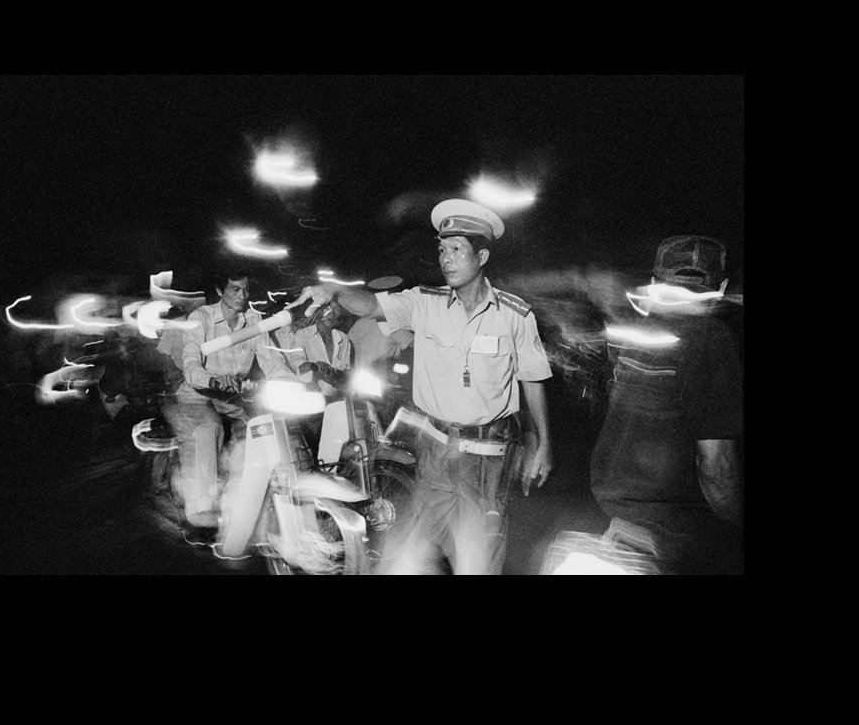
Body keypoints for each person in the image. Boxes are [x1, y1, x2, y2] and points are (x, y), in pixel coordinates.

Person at [293, 200, 553, 574]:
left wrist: (543, 442)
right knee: (407, 555)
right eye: (442, 250)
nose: (446, 259)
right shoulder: (422, 303)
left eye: (457, 250)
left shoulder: (515, 315)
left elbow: (532, 378)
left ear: (481, 256)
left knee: (476, 560)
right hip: (434, 453)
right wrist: (332, 290)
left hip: (485, 459)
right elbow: (369, 306)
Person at [589, 235, 742, 573]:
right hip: (679, 538)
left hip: (621, 522)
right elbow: (717, 466)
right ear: (722, 286)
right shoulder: (712, 341)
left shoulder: (637, 335)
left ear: (656, 281)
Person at [164, 271, 294, 547]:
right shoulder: (201, 318)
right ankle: (200, 510)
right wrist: (211, 379)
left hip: (234, 398)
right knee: (208, 427)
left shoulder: (255, 320)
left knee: (262, 433)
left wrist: (291, 384)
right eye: (235, 289)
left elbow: (271, 362)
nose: (242, 296)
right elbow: (191, 363)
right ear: (220, 290)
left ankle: (239, 503)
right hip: (198, 393)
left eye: (246, 290)